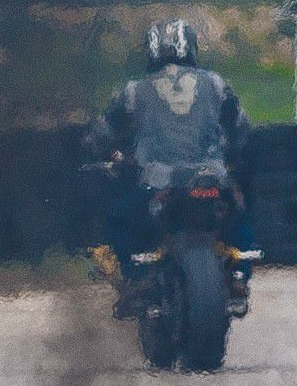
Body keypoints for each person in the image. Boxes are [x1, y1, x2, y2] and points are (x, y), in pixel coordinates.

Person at [90, 17, 255, 317]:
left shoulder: (132, 91)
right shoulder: (216, 84)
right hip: (210, 176)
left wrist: (110, 154)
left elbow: (103, 133)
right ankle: (239, 275)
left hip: (156, 179)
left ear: (152, 51)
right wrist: (231, 158)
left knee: (117, 218)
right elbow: (241, 128)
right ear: (190, 47)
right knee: (240, 210)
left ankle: (135, 278)